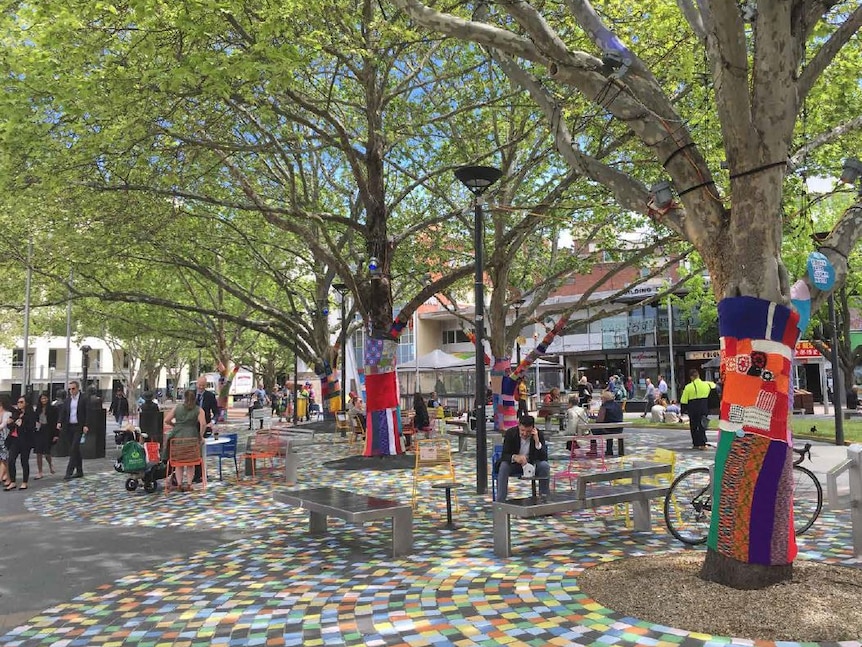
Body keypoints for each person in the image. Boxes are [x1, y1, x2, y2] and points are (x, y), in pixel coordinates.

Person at [495, 415, 550, 502]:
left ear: (533, 428)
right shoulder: (511, 433)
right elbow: (504, 455)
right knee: (504, 466)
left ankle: (544, 498)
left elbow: (544, 457)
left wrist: (537, 441)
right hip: (515, 465)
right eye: (522, 430)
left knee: (545, 466)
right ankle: (500, 501)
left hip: (532, 464)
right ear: (518, 426)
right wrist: (515, 457)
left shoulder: (538, 434)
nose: (525, 434)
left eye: (528, 431)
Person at [162, 389, 206, 491]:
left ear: (184, 398)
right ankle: (190, 484)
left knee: (179, 462)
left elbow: (166, 420)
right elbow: (203, 424)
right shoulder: (199, 410)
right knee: (191, 462)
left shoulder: (177, 408)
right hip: (192, 438)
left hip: (177, 438)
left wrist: (176, 425)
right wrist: (200, 436)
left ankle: (179, 484)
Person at [680, 369, 715, 450]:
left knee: (694, 426)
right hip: (704, 407)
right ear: (698, 376)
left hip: (693, 409)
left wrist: (682, 411)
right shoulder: (707, 385)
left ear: (691, 377)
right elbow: (714, 386)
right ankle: (703, 443)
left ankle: (696, 443)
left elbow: (683, 400)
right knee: (702, 425)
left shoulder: (688, 387)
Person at [61, 380, 88, 481]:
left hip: (79, 427)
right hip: (69, 426)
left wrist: (86, 425)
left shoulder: (83, 399)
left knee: (73, 448)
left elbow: (87, 412)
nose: (71, 391)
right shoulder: (68, 400)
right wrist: (59, 422)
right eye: (69, 389)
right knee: (75, 450)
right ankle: (80, 471)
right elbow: (63, 412)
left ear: (78, 388)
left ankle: (69, 472)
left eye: (73, 389)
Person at [5, 394, 34, 490]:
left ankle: (25, 482)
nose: (19, 404)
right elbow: (11, 426)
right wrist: (10, 423)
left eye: (21, 402)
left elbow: (31, 428)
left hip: (25, 441)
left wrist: (21, 425)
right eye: (18, 402)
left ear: (26, 404)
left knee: (24, 461)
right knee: (11, 459)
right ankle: (13, 481)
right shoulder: (16, 413)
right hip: (14, 439)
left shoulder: (30, 415)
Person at [32, 391, 59, 479]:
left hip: (48, 430)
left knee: (47, 452)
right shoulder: (38, 409)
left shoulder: (53, 409)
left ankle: (50, 464)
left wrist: (56, 434)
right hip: (39, 430)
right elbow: (35, 420)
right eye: (42, 398)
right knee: (38, 452)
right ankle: (40, 471)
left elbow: (55, 422)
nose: (43, 400)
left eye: (45, 398)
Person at [594, 390, 623, 456]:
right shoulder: (618, 405)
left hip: (608, 429)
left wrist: (595, 419)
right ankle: (610, 450)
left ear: (605, 398)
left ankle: (593, 450)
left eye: (602, 399)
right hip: (619, 429)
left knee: (592, 430)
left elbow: (599, 420)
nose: (601, 400)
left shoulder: (604, 406)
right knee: (608, 428)